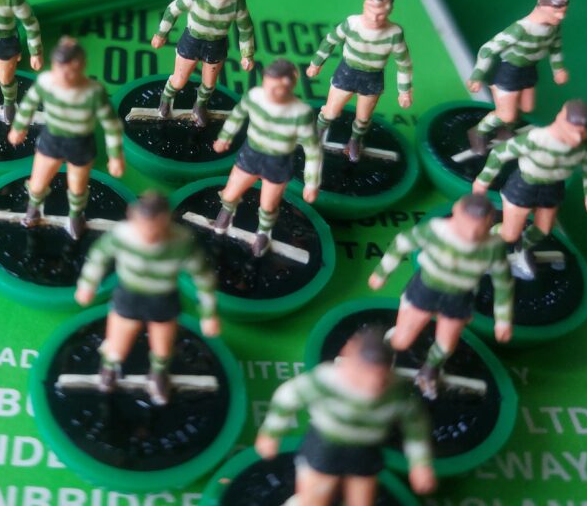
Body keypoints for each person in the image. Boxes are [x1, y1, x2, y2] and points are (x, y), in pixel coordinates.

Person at [255, 327, 436, 506]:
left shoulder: (397, 393)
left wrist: (420, 464)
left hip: (365, 451)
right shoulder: (326, 381)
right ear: (350, 363)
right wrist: (271, 433)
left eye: (379, 378)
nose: (371, 386)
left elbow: (415, 426)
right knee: (313, 500)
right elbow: (288, 396)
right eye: (363, 376)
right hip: (325, 447)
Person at [74, 191, 219, 406]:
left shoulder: (181, 242)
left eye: (155, 227)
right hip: (129, 297)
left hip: (163, 301)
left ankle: (158, 375)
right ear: (132, 216)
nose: (149, 233)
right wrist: (87, 285)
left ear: (166, 220)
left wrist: (209, 314)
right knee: (117, 344)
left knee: (163, 347)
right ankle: (109, 369)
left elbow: (203, 278)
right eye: (144, 226)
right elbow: (98, 256)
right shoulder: (121, 235)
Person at [368, 194, 513, 399]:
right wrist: (381, 273)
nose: (472, 234)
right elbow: (402, 243)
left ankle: (429, 371)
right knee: (402, 341)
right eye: (467, 225)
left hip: (458, 299)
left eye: (479, 228)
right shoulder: (436, 230)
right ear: (456, 212)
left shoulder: (493, 247)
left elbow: (503, 283)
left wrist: (503, 321)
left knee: (446, 347)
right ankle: (382, 355)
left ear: (489, 221)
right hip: (425, 292)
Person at [8, 38, 124, 239]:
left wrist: (115, 156)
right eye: (59, 69)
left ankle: (76, 215)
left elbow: (111, 124)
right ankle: (33, 208)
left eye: (71, 70)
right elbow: (27, 105)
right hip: (51, 140)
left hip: (80, 145)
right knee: (37, 183)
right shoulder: (45, 83)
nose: (64, 76)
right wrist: (19, 128)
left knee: (77, 187)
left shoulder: (94, 92)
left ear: (82, 66)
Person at [473, 99, 587, 280]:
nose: (578, 138)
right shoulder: (537, 139)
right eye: (573, 131)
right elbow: (499, 153)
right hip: (524, 186)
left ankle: (522, 250)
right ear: (560, 120)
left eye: (582, 132)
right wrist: (482, 181)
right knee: (509, 234)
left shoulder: (585, 143)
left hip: (553, 188)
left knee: (543, 229)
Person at [212, 59, 322, 256]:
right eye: (268, 85)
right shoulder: (254, 96)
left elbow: (312, 149)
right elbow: (237, 115)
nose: (271, 92)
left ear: (291, 84)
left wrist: (311, 183)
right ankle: (227, 212)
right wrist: (224, 138)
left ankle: (263, 232)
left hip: (278, 163)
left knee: (268, 205)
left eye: (278, 88)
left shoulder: (301, 113)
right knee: (229, 194)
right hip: (250, 155)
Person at [306, 0, 412, 162]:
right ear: (365, 7)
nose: (374, 18)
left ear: (388, 12)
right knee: (330, 111)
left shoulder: (394, 33)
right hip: (347, 72)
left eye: (380, 14)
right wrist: (315, 64)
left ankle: (354, 141)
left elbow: (403, 63)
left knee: (363, 118)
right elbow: (330, 40)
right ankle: (317, 133)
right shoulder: (351, 23)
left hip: (372, 78)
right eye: (371, 12)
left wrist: (405, 92)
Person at [150, 0, 255, 127]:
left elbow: (245, 28)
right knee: (179, 80)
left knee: (209, 83)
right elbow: (172, 10)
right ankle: (166, 100)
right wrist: (161, 34)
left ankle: (199, 107)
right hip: (192, 41)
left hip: (216, 45)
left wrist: (247, 54)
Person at [466, 0, 569, 155]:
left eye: (563, 12)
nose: (561, 16)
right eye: (557, 11)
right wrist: (477, 75)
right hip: (509, 73)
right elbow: (487, 49)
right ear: (541, 6)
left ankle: (505, 131)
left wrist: (559, 69)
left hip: (529, 70)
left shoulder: (554, 28)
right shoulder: (520, 29)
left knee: (526, 108)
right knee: (506, 115)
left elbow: (555, 48)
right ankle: (478, 132)